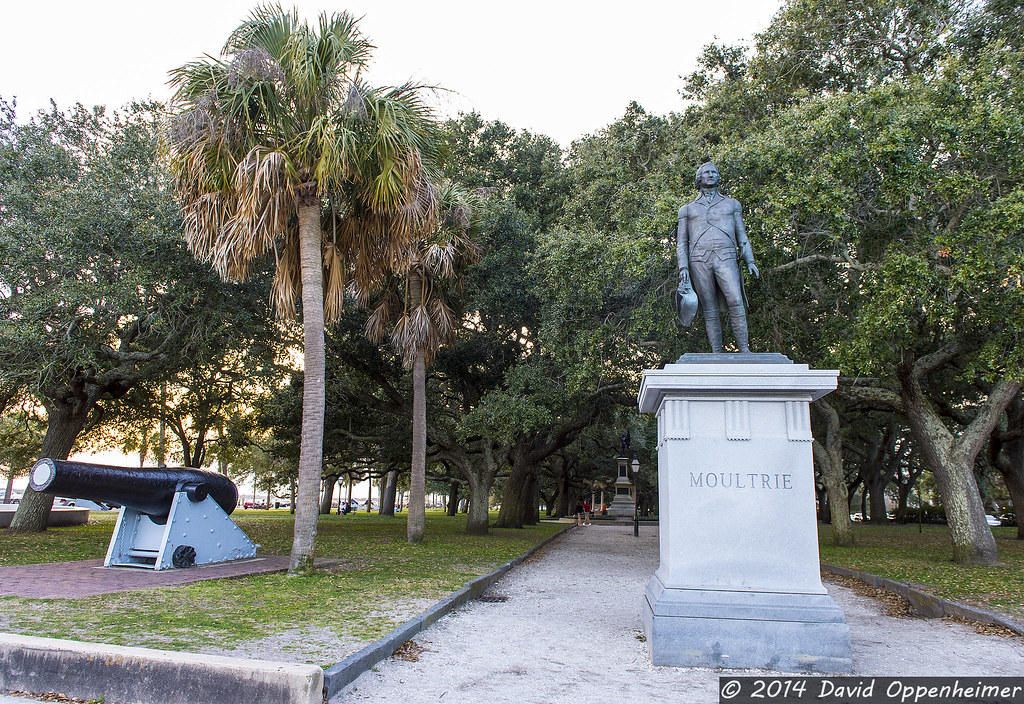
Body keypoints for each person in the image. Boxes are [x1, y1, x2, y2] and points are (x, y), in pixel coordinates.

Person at [677, 162, 759, 353]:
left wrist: (750, 260)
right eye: (706, 172)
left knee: (735, 300)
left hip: (727, 256)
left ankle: (744, 349)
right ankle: (716, 351)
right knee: (709, 307)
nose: (711, 175)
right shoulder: (687, 209)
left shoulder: (732, 204)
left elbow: (742, 235)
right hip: (698, 259)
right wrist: (683, 268)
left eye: (714, 172)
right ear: (699, 178)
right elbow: (681, 243)